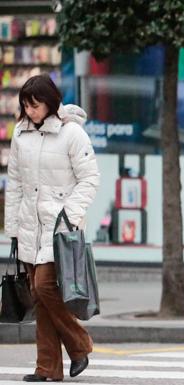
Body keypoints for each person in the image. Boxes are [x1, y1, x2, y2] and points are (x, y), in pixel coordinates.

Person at [4, 74, 100, 382]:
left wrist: (68, 215)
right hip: (30, 224)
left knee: (44, 286)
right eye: (26, 105)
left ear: (50, 101)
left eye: (35, 105)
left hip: (59, 226)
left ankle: (79, 343)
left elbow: (89, 179)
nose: (30, 111)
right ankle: (47, 368)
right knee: (39, 295)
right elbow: (15, 182)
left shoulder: (72, 134)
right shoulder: (20, 133)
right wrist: (12, 226)